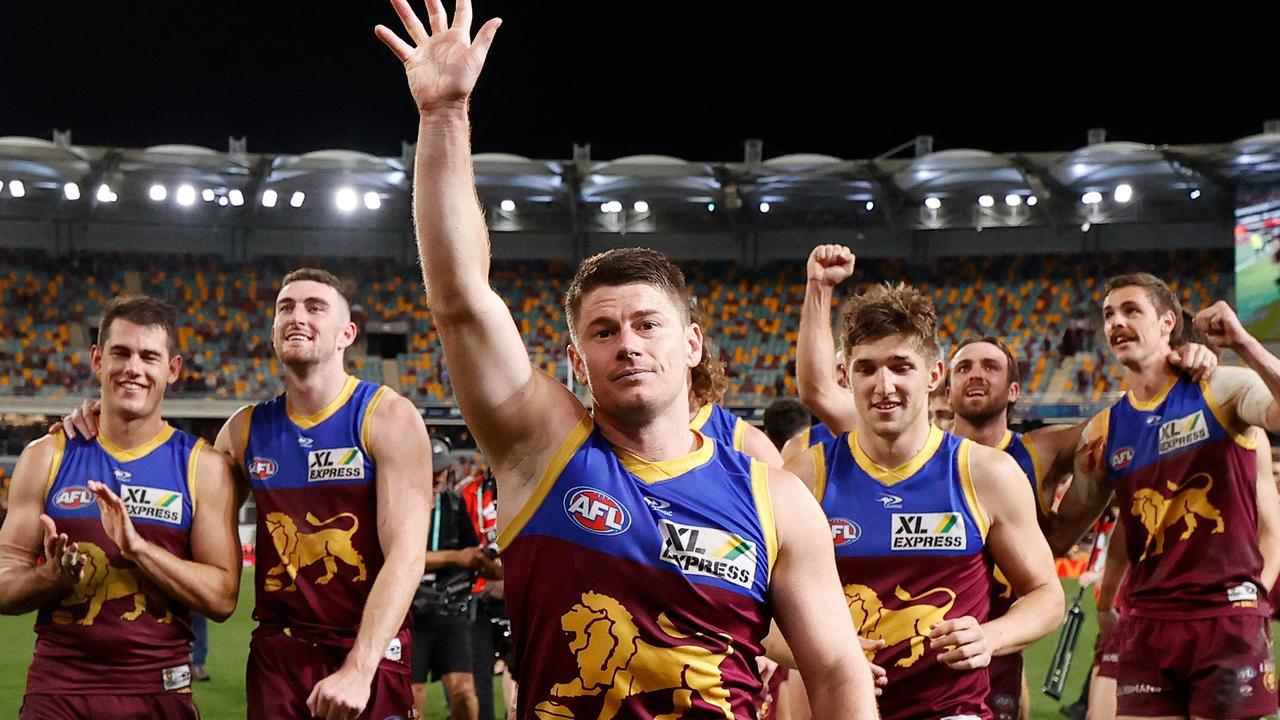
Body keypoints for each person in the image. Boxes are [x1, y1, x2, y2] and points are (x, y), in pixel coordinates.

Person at [375, 2, 878, 716]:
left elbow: (836, 672)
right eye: (604, 332)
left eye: (648, 324)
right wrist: (445, 115)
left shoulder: (776, 499)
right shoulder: (539, 449)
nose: (629, 343)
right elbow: (460, 299)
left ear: (692, 344)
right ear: (578, 364)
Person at [62, 270, 434, 720]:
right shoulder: (244, 431)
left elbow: (407, 555)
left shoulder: (388, 417)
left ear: (346, 334)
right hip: (278, 658)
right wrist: (101, 421)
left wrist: (359, 666)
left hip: (367, 655)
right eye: (285, 307)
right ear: (273, 331)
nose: (297, 316)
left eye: (315, 307)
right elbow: (179, 500)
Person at [787, 246, 1064, 720]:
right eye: (867, 368)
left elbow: (1046, 595)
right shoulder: (805, 476)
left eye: (900, 366)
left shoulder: (986, 474)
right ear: (846, 376)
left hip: (950, 709)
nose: (884, 385)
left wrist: (990, 635)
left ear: (934, 375)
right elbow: (764, 611)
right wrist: (826, 651)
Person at [0, 295, 240, 719]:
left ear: (173, 370)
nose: (134, 368)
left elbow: (222, 599)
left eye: (149, 356)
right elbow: (3, 580)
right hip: (58, 695)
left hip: (160, 694)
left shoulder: (203, 467)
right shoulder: (46, 456)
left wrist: (140, 549)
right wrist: (49, 576)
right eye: (121, 353)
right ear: (97, 359)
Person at [1055, 273, 1280, 718]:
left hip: (1225, 618)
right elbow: (1062, 533)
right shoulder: (1105, 431)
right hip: (1147, 621)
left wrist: (1243, 342)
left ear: (1167, 322)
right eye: (1108, 315)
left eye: (1131, 310)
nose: (1116, 321)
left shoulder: (1222, 388)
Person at [412, 434, 500, 720]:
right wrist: (454, 557)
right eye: (432, 469)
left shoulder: (453, 503)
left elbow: (471, 552)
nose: (439, 476)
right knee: (412, 697)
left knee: (464, 693)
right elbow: (401, 560)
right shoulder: (399, 504)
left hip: (450, 612)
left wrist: (491, 566)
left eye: (442, 469)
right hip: (410, 614)